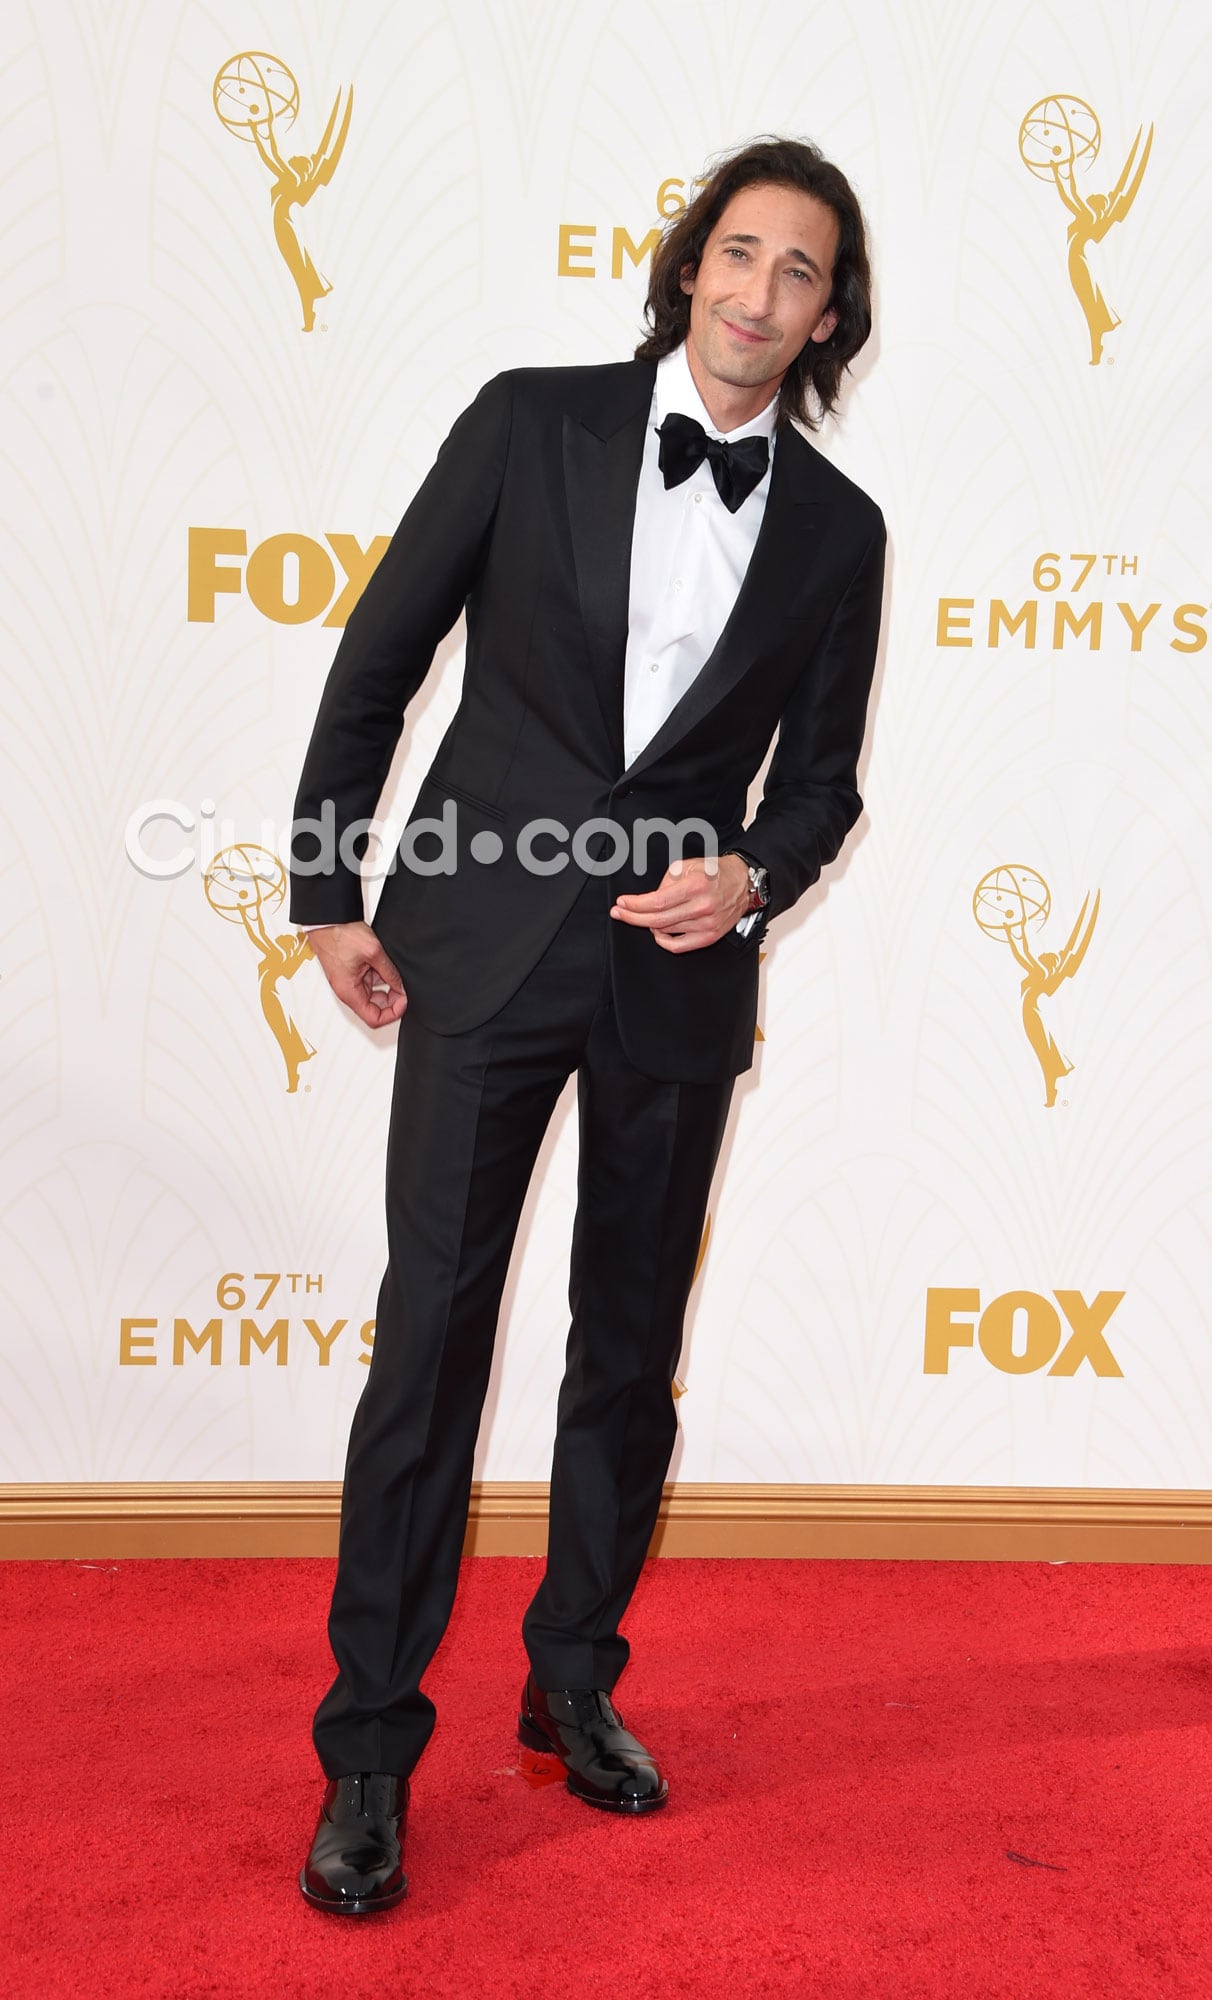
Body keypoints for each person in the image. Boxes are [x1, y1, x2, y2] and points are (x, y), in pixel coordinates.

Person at [288, 135, 886, 1915]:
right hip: (480, 945)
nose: (761, 294)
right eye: (740, 255)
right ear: (688, 263)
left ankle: (572, 1683)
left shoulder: (844, 532)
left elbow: (827, 785)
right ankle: (371, 1755)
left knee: (625, 1361)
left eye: (801, 275)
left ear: (827, 317)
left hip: (671, 981)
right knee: (429, 1355)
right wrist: (329, 884)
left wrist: (753, 877)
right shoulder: (529, 420)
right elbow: (379, 655)